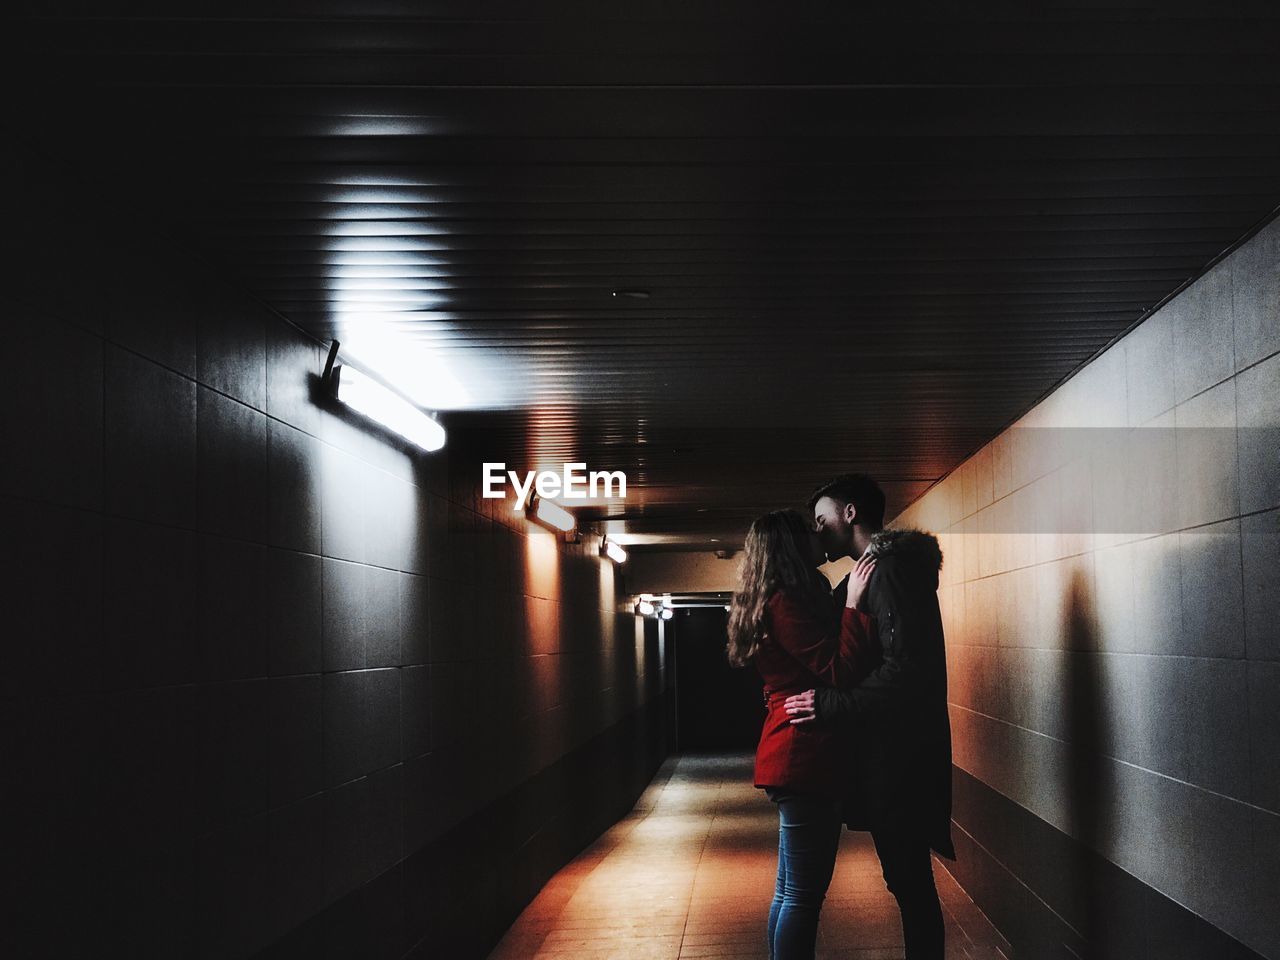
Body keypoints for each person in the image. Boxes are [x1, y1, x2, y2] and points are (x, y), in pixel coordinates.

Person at [784, 473, 955, 960]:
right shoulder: (870, 574)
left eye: (822, 519)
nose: (817, 531)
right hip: (891, 756)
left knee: (911, 884)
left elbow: (905, 671)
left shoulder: (891, 571)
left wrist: (828, 704)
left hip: (900, 760)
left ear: (850, 513)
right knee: (907, 881)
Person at [726, 507, 879, 960]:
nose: (819, 534)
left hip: (795, 752)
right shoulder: (785, 602)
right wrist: (853, 604)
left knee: (789, 891)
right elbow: (839, 668)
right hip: (804, 754)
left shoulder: (778, 597)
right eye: (808, 530)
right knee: (802, 897)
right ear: (792, 546)